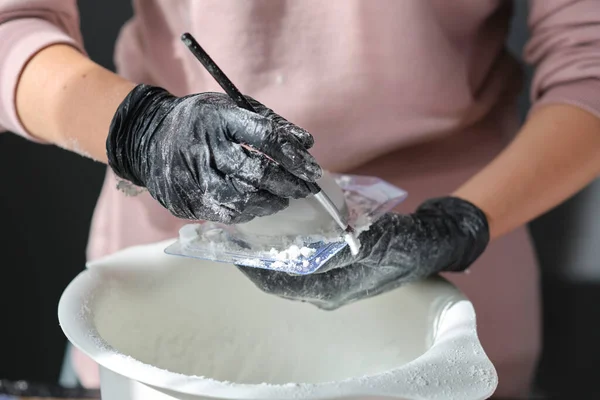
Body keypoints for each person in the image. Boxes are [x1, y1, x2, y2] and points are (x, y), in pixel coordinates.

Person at [1, 0, 599, 397]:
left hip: (447, 306)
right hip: (156, 300)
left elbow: (589, 67)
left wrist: (459, 222)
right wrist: (140, 129)